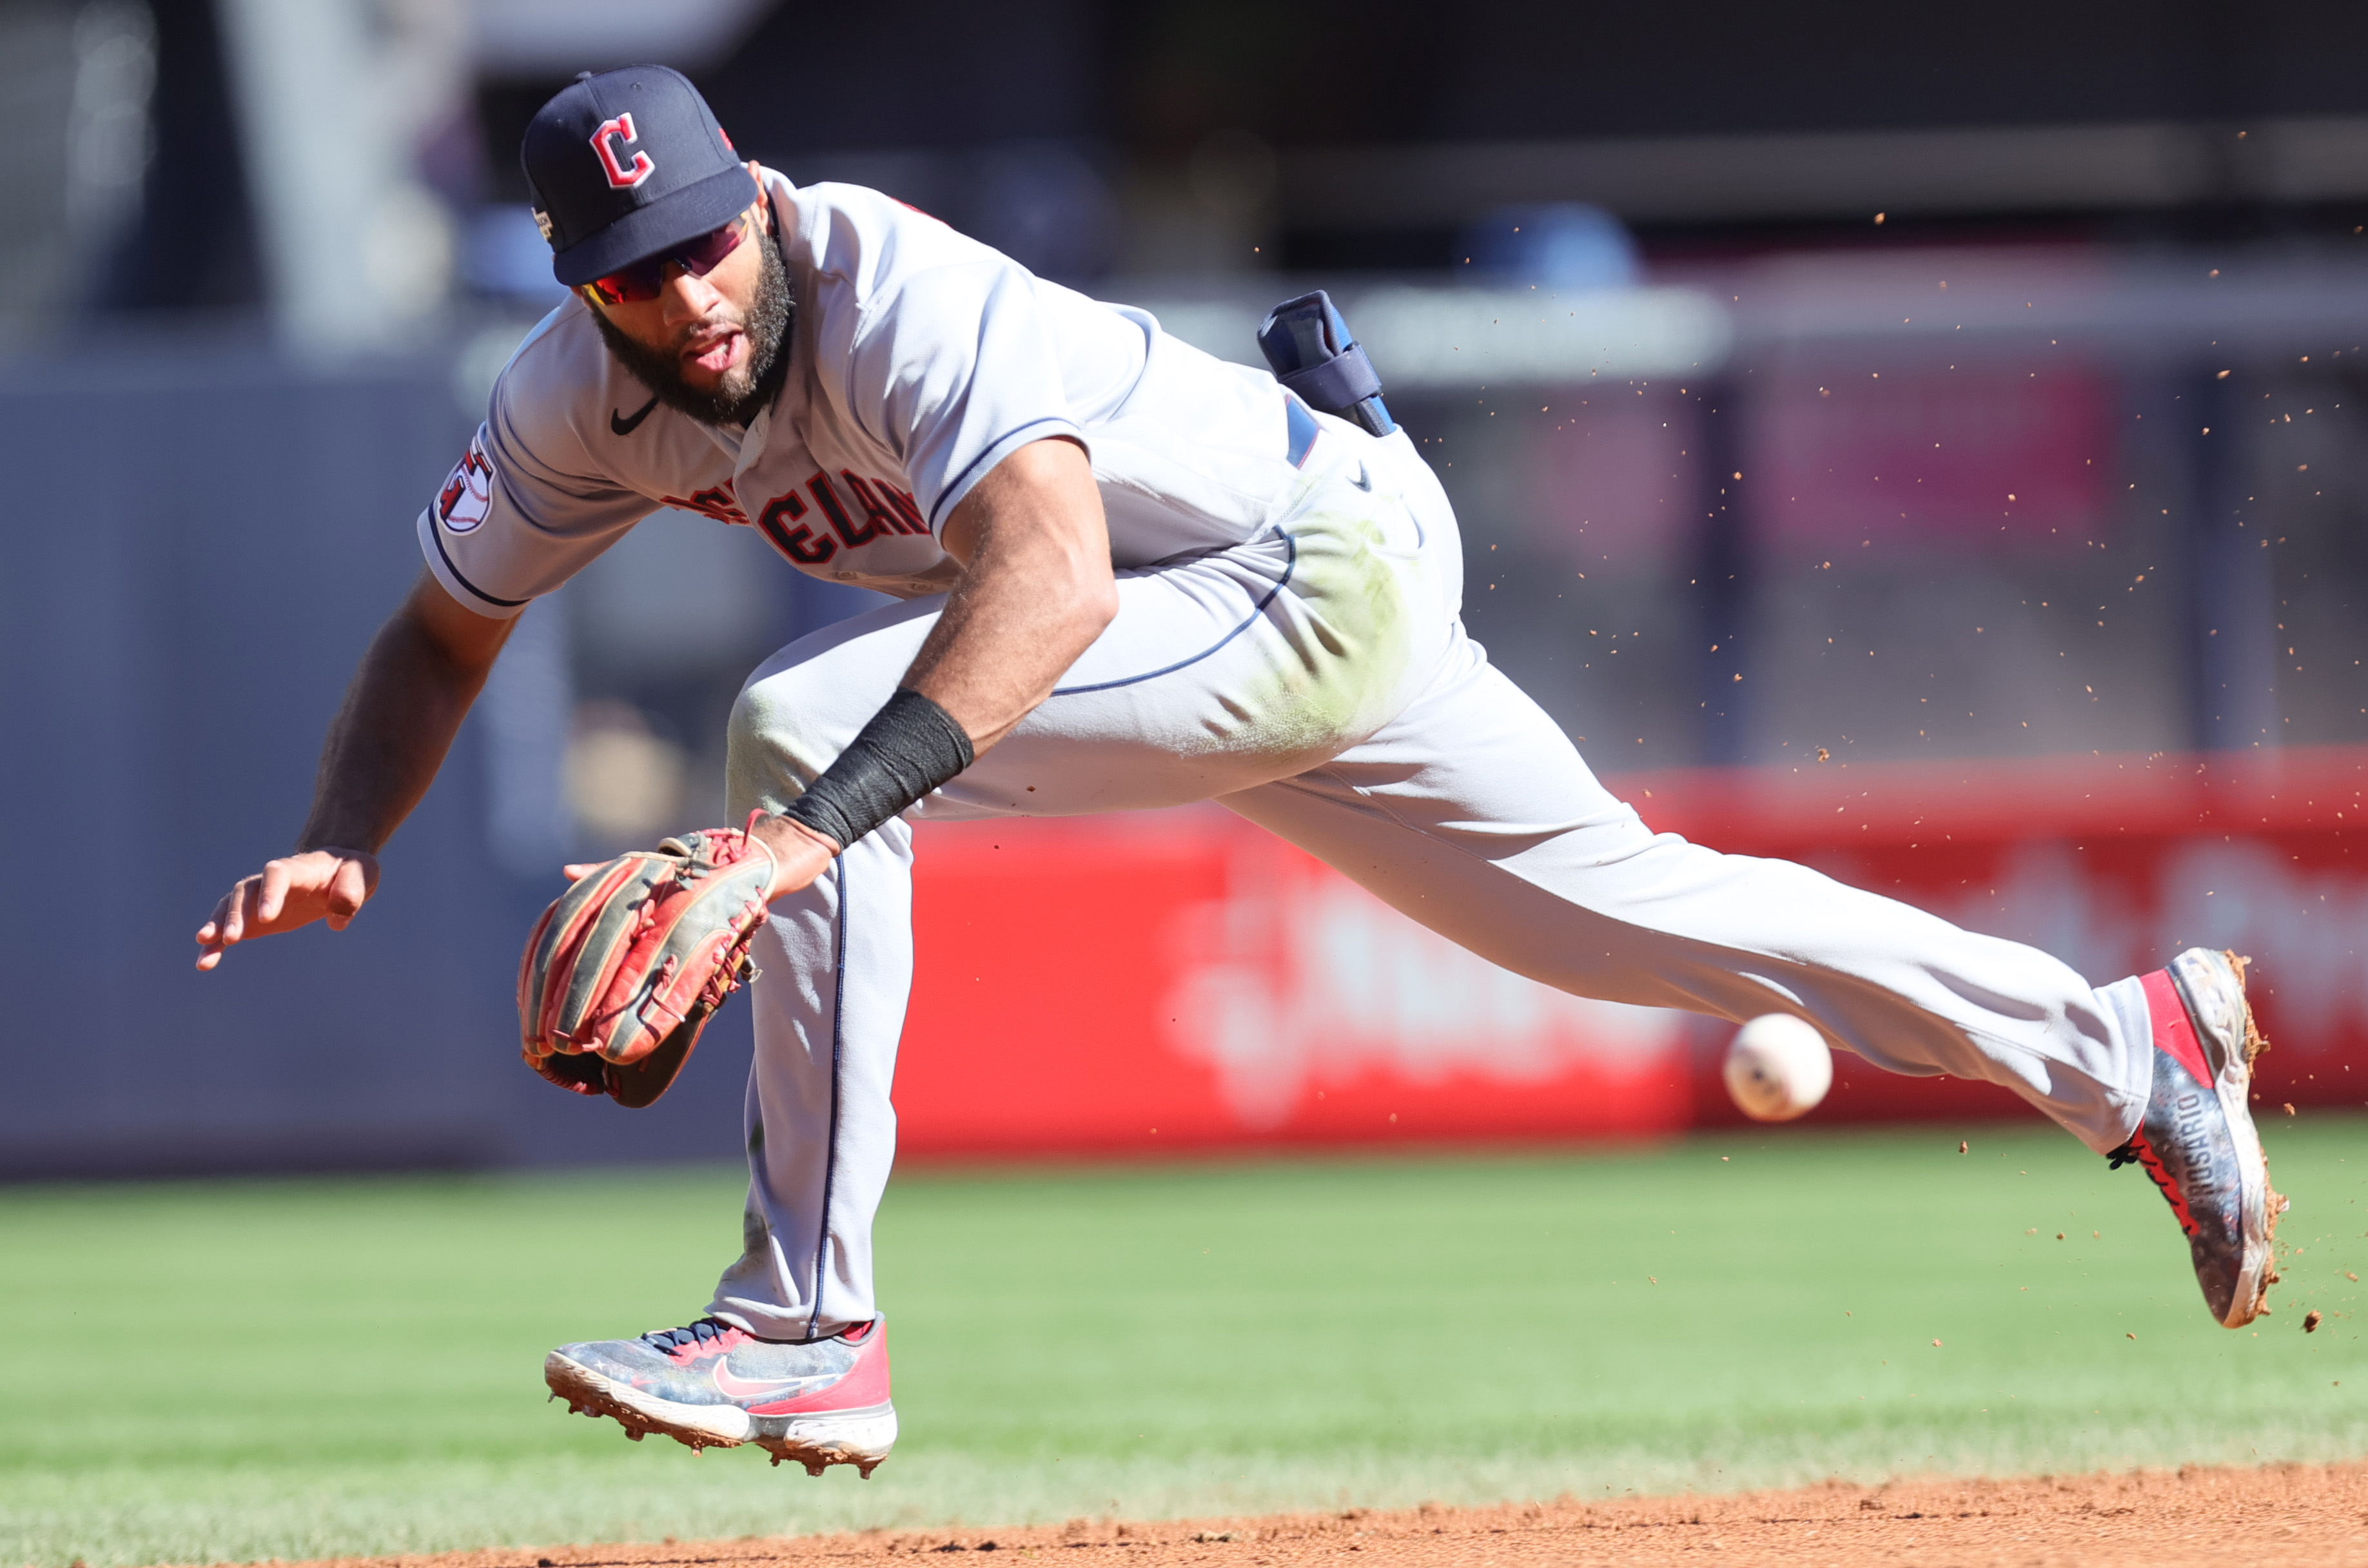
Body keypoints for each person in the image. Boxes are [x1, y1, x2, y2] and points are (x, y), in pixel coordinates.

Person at [195, 67, 2280, 1478]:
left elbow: (1048, 578)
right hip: (1258, 589)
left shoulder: (882, 281)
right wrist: (334, 839)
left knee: (801, 740)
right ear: (579, 287)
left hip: (1306, 561)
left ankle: (804, 1325)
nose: (694, 286)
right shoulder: (570, 403)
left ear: (758, 202)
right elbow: (440, 628)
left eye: (714, 236)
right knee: (1630, 914)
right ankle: (2123, 1047)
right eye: (640, 272)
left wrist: (792, 844)